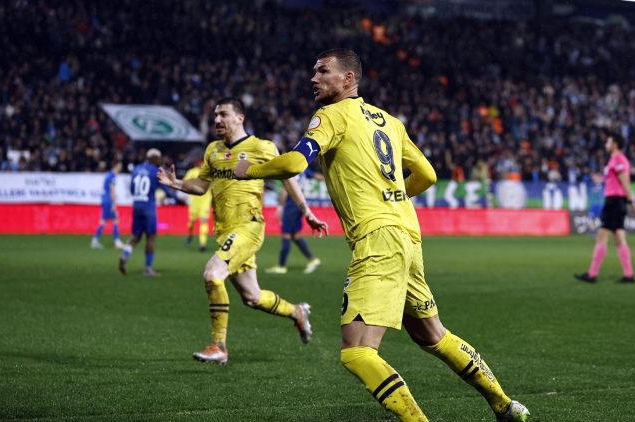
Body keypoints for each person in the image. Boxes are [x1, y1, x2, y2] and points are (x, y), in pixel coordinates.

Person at [234, 49, 529, 421]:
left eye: (323, 71)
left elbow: (294, 163)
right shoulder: (390, 121)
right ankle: (505, 405)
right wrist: (392, 197)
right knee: (432, 335)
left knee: (357, 352)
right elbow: (428, 175)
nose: (313, 78)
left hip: (377, 240)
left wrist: (250, 170)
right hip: (407, 236)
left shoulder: (331, 115)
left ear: (348, 78)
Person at [157, 97, 328, 366]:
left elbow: (287, 178)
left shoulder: (261, 147)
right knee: (252, 297)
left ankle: (219, 346)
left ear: (240, 118)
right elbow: (201, 186)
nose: (217, 120)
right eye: (215, 115)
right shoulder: (213, 150)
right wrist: (176, 183)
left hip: (249, 226)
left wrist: (307, 211)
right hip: (225, 232)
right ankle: (297, 312)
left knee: (212, 274)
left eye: (223, 114)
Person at [575, 134, 635, 283]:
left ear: (615, 144)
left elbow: (624, 181)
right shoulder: (615, 159)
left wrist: (631, 201)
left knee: (601, 236)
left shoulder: (618, 159)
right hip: (617, 201)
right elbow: (615, 180)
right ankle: (629, 275)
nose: (606, 144)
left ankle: (592, 274)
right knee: (619, 238)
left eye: (608, 142)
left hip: (614, 202)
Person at [265, 168, 323, 274]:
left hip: (291, 204)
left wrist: (280, 208)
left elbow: (285, 189)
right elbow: (316, 177)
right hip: (300, 204)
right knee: (295, 235)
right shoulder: (303, 169)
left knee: (286, 235)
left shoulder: (290, 169)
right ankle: (312, 260)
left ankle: (281, 266)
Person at [119, 149, 165, 277]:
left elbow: (132, 189)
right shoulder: (155, 171)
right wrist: (178, 198)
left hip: (137, 206)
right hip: (148, 207)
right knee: (150, 237)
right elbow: (165, 187)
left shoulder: (137, 168)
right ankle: (147, 268)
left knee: (136, 236)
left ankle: (124, 255)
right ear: (155, 158)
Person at [91, 160, 124, 249]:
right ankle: (117, 241)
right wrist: (114, 203)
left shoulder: (108, 174)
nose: (121, 167)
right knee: (115, 220)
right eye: (120, 165)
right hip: (109, 201)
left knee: (104, 221)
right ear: (116, 166)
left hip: (105, 200)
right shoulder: (112, 176)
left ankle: (95, 240)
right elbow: (112, 190)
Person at [183, 160, 212, 252]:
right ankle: (190, 234)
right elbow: (185, 182)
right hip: (194, 201)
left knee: (204, 221)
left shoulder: (210, 172)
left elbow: (213, 184)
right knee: (192, 222)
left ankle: (202, 244)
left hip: (205, 201)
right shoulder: (192, 172)